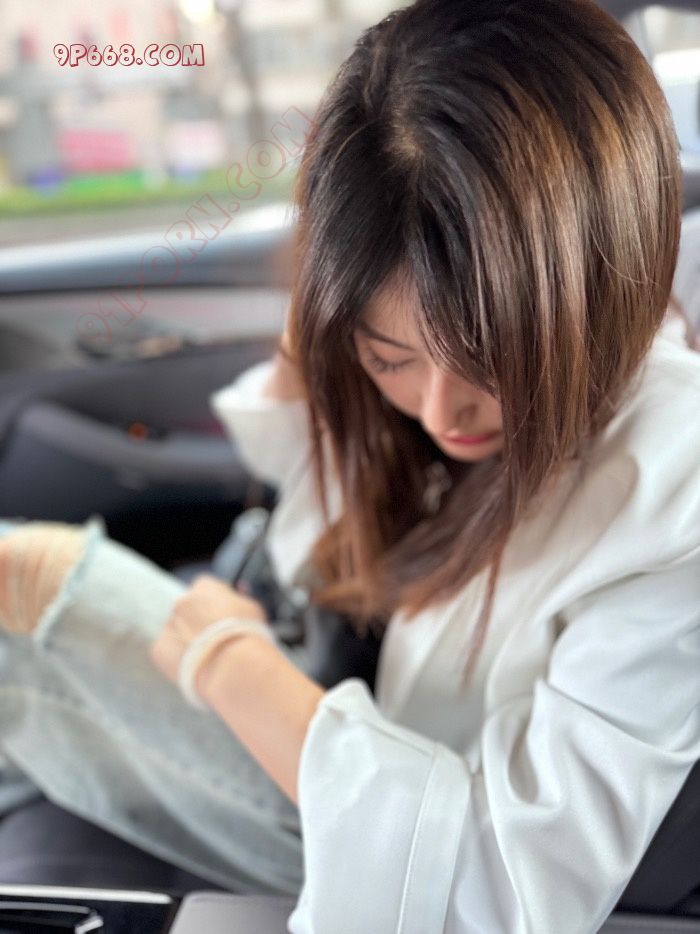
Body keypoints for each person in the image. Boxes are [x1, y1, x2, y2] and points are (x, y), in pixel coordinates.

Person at [0, 0, 699, 931]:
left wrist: (230, 664)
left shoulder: (674, 497)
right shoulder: (448, 399)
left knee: (23, 586)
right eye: (391, 357)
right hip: (338, 721)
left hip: (381, 840)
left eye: (493, 364)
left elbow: (497, 884)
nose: (442, 413)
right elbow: (332, 505)